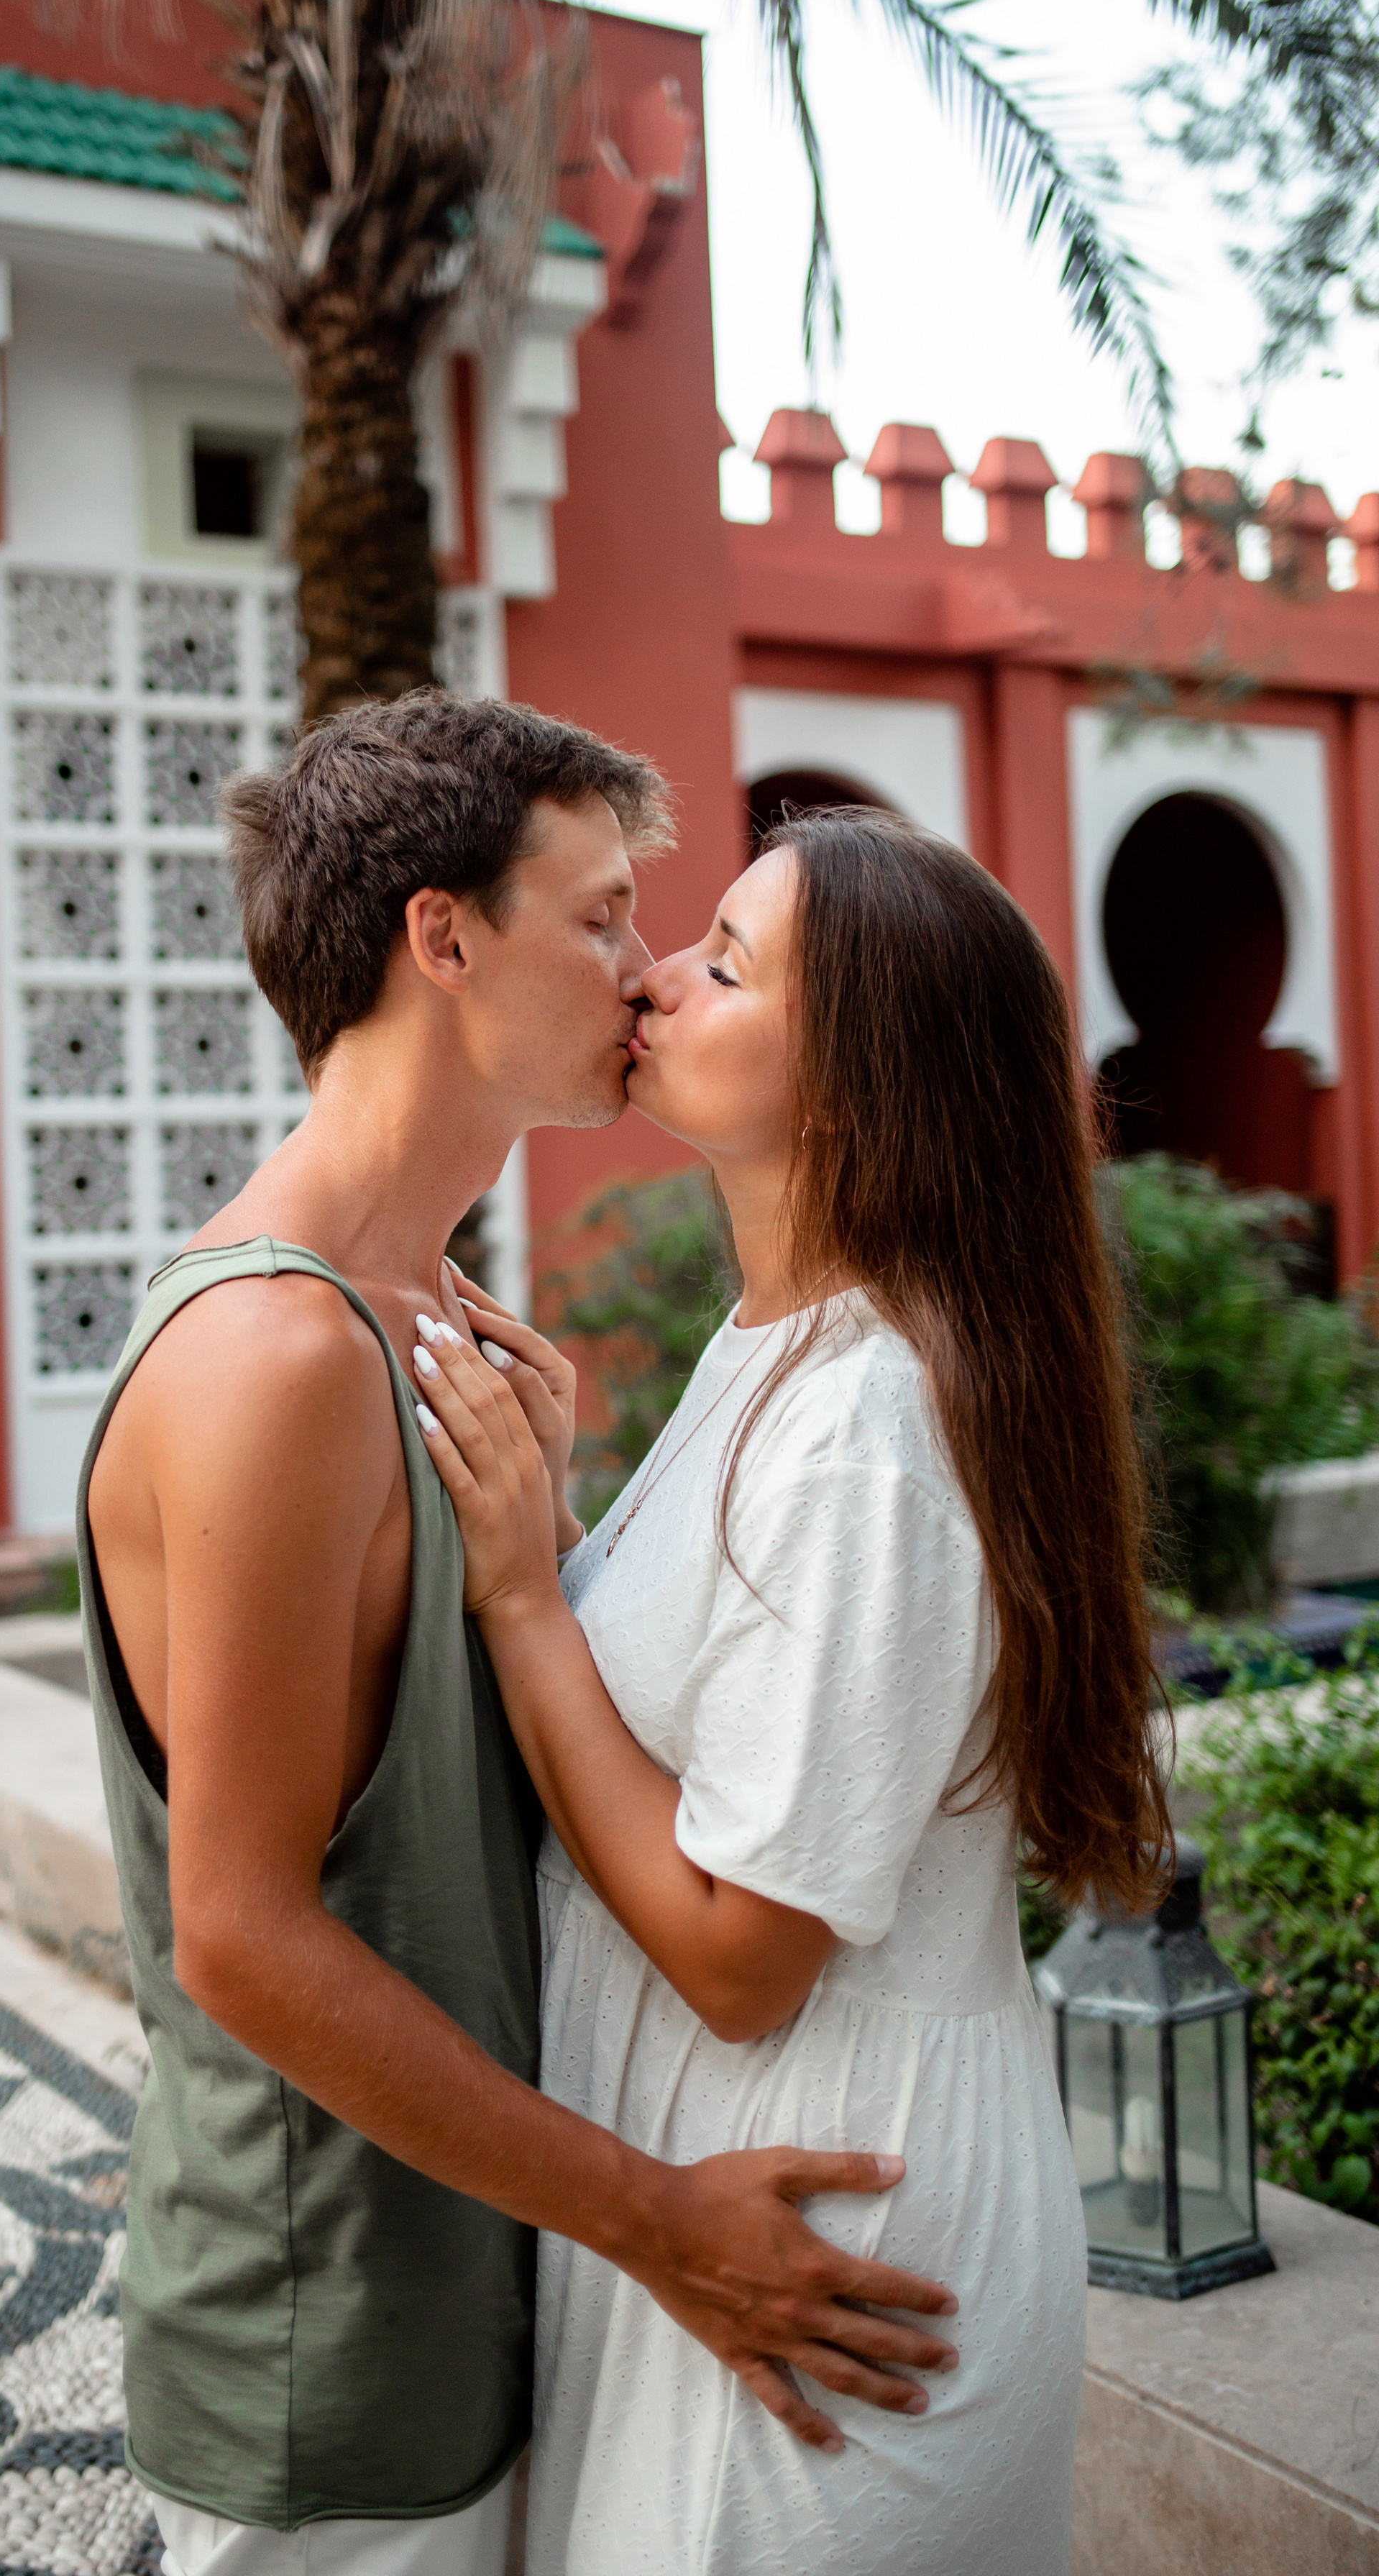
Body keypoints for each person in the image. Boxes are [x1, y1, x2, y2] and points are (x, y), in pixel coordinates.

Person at [77, 700, 958, 2576]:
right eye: (605, 917)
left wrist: (547, 1549)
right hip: (333, 2355)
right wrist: (660, 2219)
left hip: (482, 2304)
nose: (646, 974)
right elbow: (239, 1934)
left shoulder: (436, 1326)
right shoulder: (279, 1353)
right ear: (444, 937)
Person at [411, 805, 1170, 2576]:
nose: (657, 978)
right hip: (747, 2205)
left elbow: (743, 1957)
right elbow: (731, 1711)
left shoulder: (863, 1433)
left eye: (726, 965)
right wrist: (572, 1517)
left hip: (829, 2246)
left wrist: (525, 1590)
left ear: (850, 1087)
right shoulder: (789, 1346)